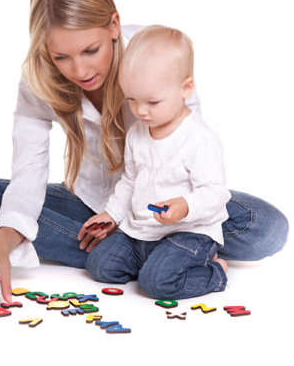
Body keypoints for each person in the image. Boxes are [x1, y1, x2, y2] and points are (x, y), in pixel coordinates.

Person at [0, 0, 288, 312]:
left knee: (267, 228)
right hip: (93, 205)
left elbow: (188, 157)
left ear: (113, 24)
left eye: (91, 50)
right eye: (61, 57)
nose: (79, 71)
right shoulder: (39, 81)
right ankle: (156, 260)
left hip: (165, 206)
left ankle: (133, 254)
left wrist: (174, 215)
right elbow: (27, 176)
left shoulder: (158, 59)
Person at [79, 26, 229, 299]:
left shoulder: (199, 138)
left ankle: (215, 272)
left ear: (185, 88)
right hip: (141, 231)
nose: (140, 111)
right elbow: (131, 179)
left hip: (188, 232)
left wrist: (185, 206)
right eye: (132, 100)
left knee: (157, 285)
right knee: (99, 265)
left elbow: (216, 193)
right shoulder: (138, 131)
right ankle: (156, 265)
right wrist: (112, 214)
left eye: (152, 101)